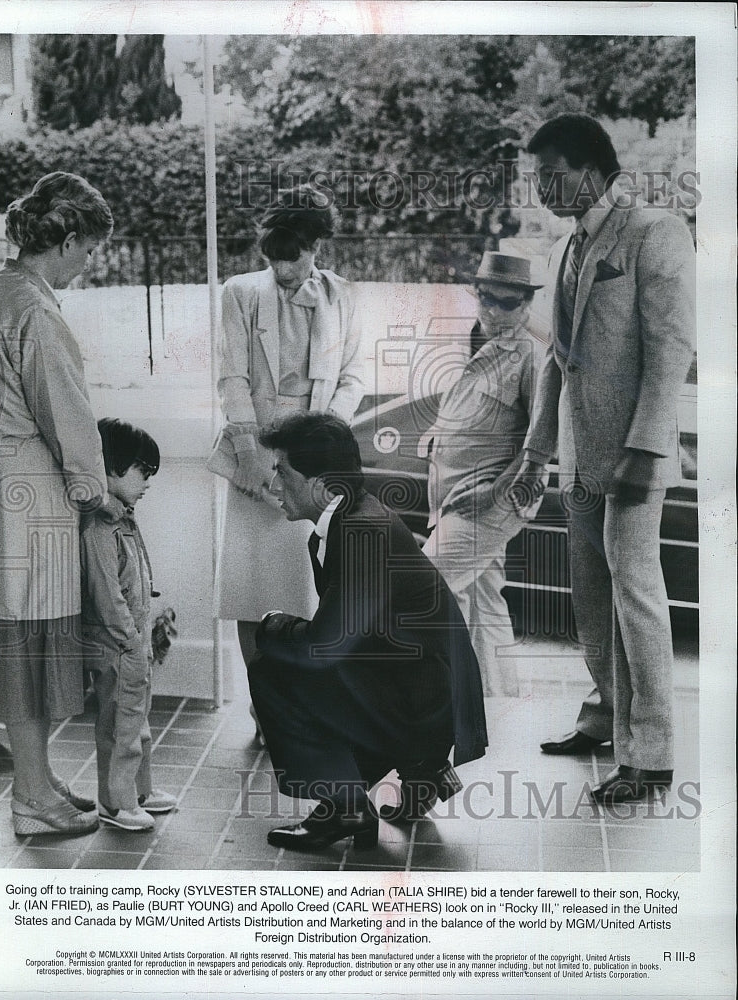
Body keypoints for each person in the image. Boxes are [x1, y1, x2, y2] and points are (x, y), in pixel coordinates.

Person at [511, 114, 695, 803]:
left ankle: (650, 755)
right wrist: (536, 452)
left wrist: (645, 448)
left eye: (549, 175)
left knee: (636, 593)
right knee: (591, 595)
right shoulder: (567, 249)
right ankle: (606, 717)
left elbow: (671, 350)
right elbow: (557, 361)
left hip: (632, 456)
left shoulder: (654, 230)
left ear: (589, 169)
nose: (541, 189)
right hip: (577, 455)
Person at [247, 412, 487, 852]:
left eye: (282, 472)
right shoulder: (348, 519)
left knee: (273, 666)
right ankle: (421, 770)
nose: (273, 486)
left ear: (321, 486)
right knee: (311, 667)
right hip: (422, 687)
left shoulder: (359, 531)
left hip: (428, 701)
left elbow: (324, 650)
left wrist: (272, 626)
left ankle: (349, 807)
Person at [0, 172, 113, 836]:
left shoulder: (1, 291)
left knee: (19, 639)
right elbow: (68, 413)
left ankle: (39, 778)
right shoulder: (33, 309)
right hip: (31, 494)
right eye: (86, 251)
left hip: (7, 488)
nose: (87, 266)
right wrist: (97, 494)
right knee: (27, 647)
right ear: (62, 240)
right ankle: (30, 797)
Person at [213, 184, 364, 735]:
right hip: (254, 454)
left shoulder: (344, 295)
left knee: (309, 588)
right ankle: (265, 709)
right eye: (273, 257)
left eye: (293, 256)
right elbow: (231, 375)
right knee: (251, 588)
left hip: (313, 458)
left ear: (316, 245)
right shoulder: (240, 292)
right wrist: (253, 456)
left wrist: (325, 438)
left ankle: (304, 705)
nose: (282, 269)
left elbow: (353, 376)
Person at [421, 251, 545, 697]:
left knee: (424, 585)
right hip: (453, 495)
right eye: (486, 298)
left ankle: (429, 707)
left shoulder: (531, 356)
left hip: (487, 500)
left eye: (507, 303)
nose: (493, 310)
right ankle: (498, 711)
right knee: (484, 603)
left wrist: (494, 492)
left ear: (527, 304)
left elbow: (543, 440)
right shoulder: (479, 341)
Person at [80, 419, 177, 831]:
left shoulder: (124, 519)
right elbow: (107, 596)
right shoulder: (100, 527)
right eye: (142, 470)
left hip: (132, 641)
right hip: (118, 645)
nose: (148, 481)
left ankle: (140, 791)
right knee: (120, 726)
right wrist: (132, 640)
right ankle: (116, 802)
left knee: (138, 723)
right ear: (112, 466)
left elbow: (135, 581)